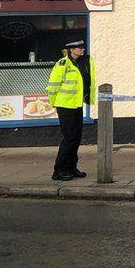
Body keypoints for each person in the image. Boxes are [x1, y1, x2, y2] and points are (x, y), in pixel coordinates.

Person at [47, 39, 96, 181]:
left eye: (82, 47)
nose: (82, 49)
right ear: (71, 50)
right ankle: (58, 170)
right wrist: (53, 103)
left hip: (76, 105)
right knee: (69, 138)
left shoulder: (80, 64)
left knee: (76, 138)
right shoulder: (63, 64)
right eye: (79, 47)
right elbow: (53, 85)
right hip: (64, 106)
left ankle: (71, 168)